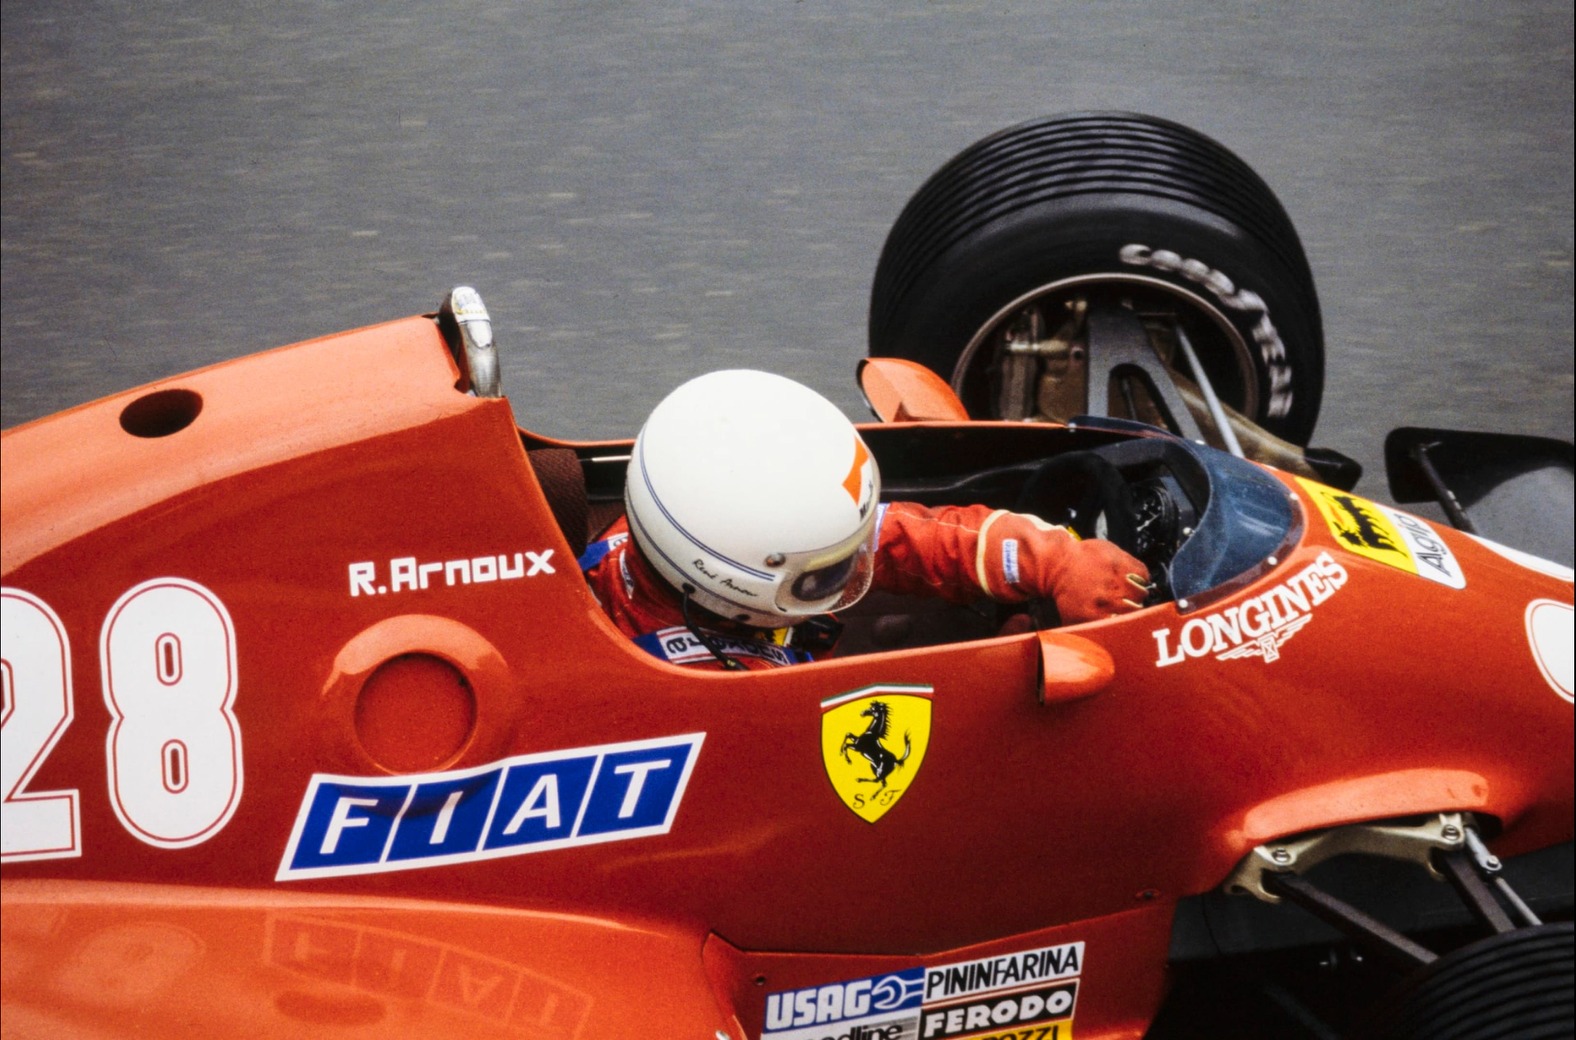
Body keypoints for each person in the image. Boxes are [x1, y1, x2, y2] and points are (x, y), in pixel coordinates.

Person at [580, 370, 1150, 670]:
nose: (861, 562)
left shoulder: (677, 540)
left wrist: (1047, 559)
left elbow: (899, 537)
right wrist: (1003, 672)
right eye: (829, 573)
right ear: (732, 588)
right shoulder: (716, 685)